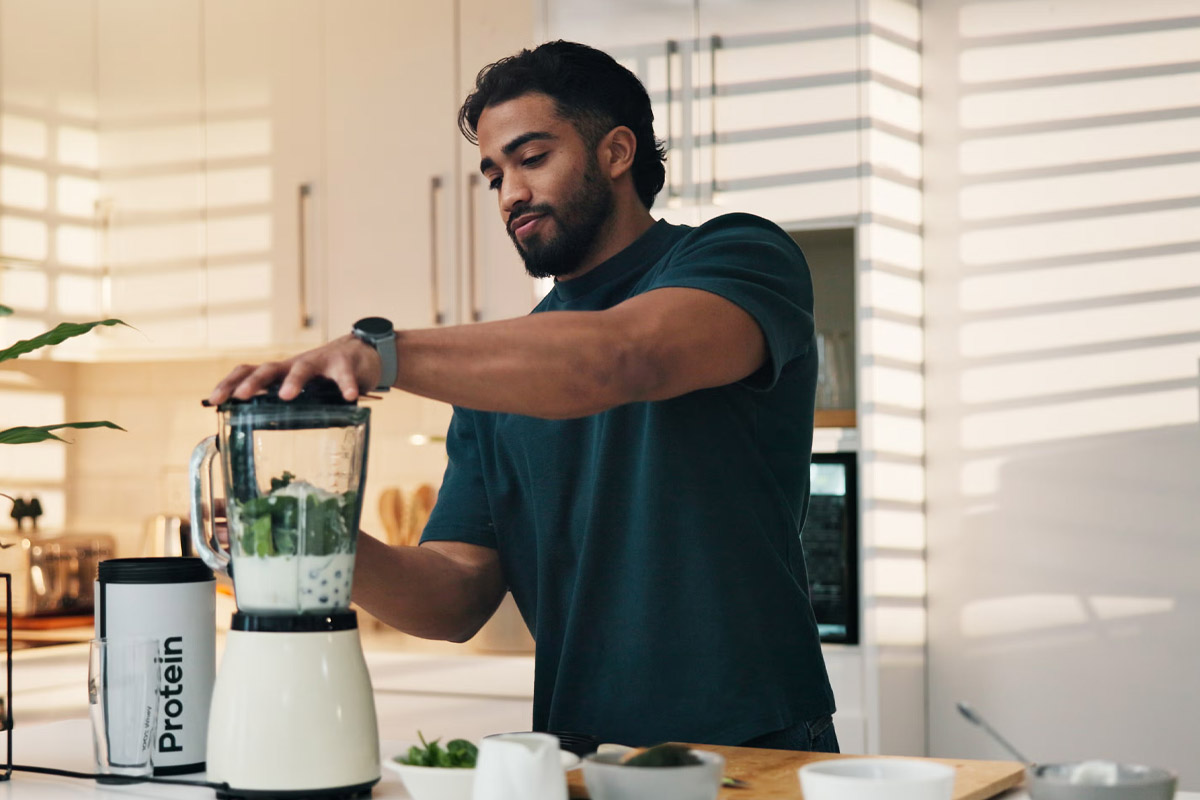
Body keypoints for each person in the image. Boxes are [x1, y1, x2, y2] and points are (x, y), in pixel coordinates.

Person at [208, 40, 837, 751]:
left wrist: (380, 351)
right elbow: (454, 594)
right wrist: (313, 538)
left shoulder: (739, 257)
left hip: (755, 739)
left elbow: (623, 357)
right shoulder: (501, 371)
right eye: (493, 175)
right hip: (579, 750)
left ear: (617, 152)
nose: (509, 194)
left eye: (531, 159)